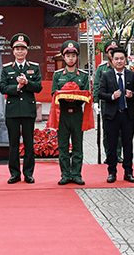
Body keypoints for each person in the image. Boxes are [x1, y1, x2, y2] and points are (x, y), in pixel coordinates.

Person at [0, 33, 42, 184]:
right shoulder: (6, 69)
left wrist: (27, 82)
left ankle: (28, 173)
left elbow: (38, 87)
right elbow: (2, 87)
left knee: (29, 144)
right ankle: (14, 173)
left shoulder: (34, 68)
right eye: (17, 49)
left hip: (28, 111)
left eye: (22, 49)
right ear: (13, 51)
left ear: (27, 51)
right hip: (13, 111)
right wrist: (17, 87)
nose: (20, 51)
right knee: (13, 144)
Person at [98, 48, 134, 183]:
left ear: (125, 60)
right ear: (112, 60)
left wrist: (132, 95)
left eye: (121, 58)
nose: (119, 61)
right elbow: (100, 93)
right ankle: (112, 172)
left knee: (128, 144)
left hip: (127, 115)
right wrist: (112, 96)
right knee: (111, 145)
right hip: (112, 115)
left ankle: (128, 172)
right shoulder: (106, 75)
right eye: (116, 59)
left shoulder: (132, 75)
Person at [52, 40, 89, 185]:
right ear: (63, 57)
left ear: (77, 57)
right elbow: (53, 94)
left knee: (78, 145)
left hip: (77, 114)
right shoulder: (58, 75)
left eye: (73, 55)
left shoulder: (83, 76)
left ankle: (77, 174)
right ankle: (65, 174)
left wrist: (74, 97)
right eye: (68, 56)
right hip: (63, 114)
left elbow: (86, 95)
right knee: (63, 146)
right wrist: (67, 96)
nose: (71, 58)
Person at [93, 40, 122, 163]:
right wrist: (95, 102)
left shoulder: (123, 66)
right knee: (107, 130)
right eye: (111, 52)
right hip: (106, 103)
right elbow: (96, 86)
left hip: (121, 103)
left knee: (120, 130)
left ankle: (118, 154)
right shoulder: (102, 69)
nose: (113, 53)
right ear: (107, 54)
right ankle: (109, 154)